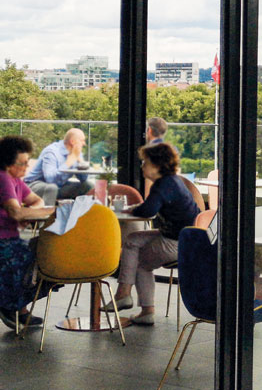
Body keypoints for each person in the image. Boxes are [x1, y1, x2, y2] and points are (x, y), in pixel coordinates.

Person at [105, 142, 200, 326]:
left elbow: (147, 211)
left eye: (145, 162)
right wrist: (135, 209)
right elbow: (150, 208)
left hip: (176, 242)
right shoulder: (172, 181)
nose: (142, 166)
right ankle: (124, 294)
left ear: (157, 165)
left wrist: (132, 211)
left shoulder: (164, 184)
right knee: (132, 240)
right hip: (185, 236)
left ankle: (142, 307)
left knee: (140, 263)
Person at [0, 135, 52, 331]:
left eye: (27, 163)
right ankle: (5, 304)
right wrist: (53, 211)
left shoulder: (14, 180)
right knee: (30, 253)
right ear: (7, 163)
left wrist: (32, 212)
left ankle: (16, 308)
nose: (25, 168)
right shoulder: (1, 179)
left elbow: (36, 201)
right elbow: (15, 212)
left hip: (2, 240)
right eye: (21, 163)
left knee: (43, 251)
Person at [24, 128, 95, 206]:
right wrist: (69, 162)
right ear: (72, 141)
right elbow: (50, 179)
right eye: (82, 140)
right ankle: (47, 215)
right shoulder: (51, 152)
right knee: (52, 188)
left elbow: (83, 179)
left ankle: (77, 215)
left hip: (59, 186)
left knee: (88, 186)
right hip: (34, 185)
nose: (84, 144)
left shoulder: (75, 152)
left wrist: (80, 161)